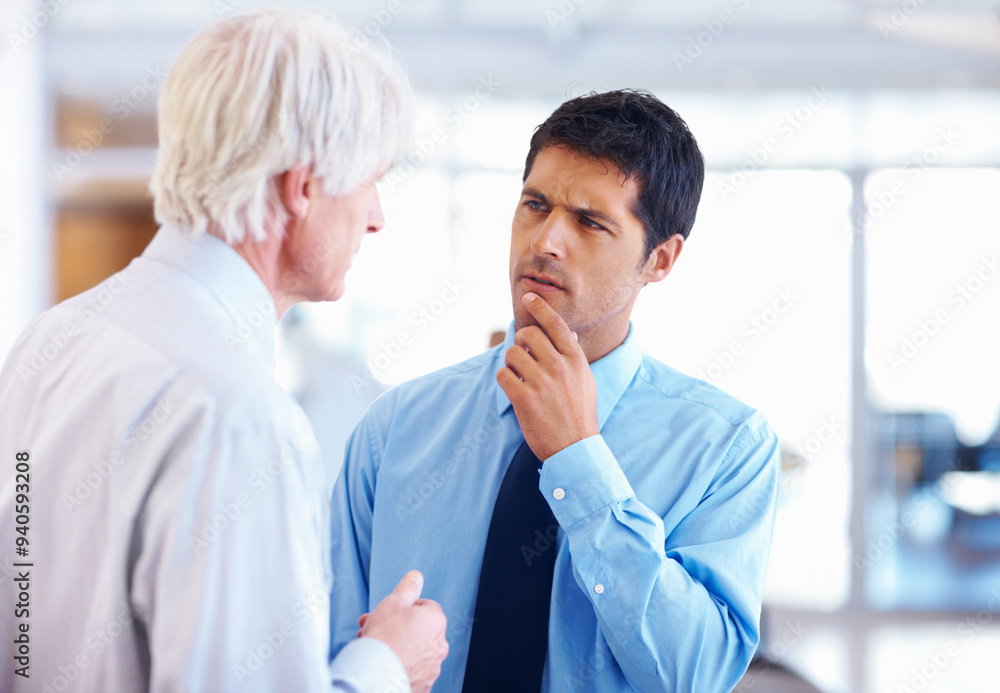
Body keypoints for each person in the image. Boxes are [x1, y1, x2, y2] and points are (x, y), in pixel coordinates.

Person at [0, 9, 447, 693]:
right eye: (370, 180)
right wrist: (387, 666)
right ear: (303, 186)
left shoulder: (52, 338)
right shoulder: (240, 417)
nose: (377, 217)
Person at [329, 90, 781, 692]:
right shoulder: (395, 429)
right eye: (535, 205)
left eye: (590, 222)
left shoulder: (728, 449)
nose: (545, 241)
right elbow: (331, 655)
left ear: (661, 259)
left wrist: (578, 459)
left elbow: (692, 675)